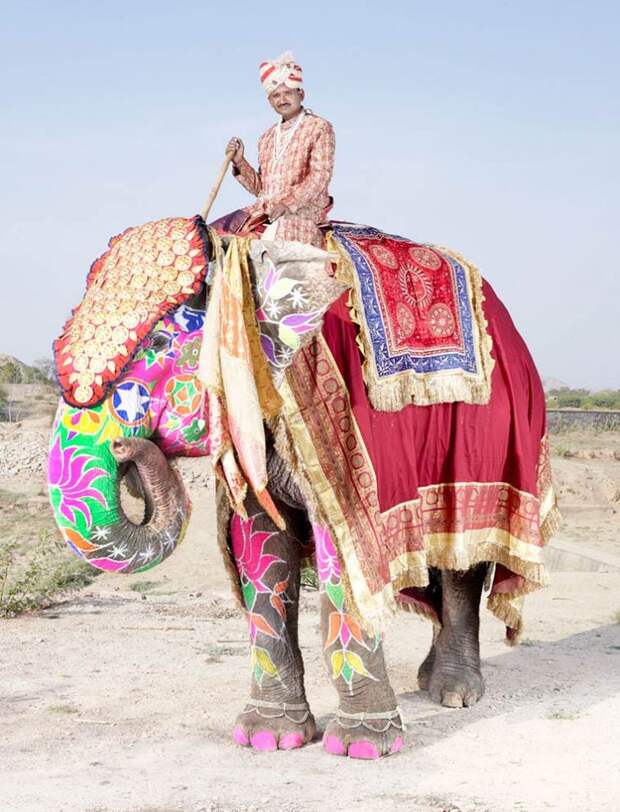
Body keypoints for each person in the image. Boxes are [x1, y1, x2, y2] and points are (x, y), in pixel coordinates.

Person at [226, 52, 335, 247]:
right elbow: (261, 190)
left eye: (288, 93)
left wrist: (288, 204)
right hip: (265, 213)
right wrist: (240, 162)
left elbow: (320, 175)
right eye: (276, 95)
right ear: (270, 101)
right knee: (221, 237)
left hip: (301, 214)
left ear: (300, 94)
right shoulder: (266, 138)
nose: (282, 99)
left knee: (276, 242)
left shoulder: (319, 127)